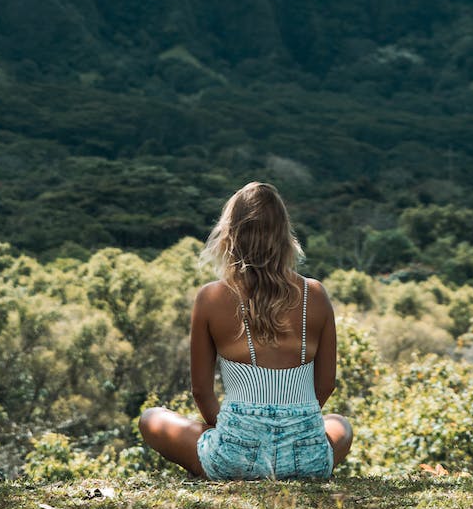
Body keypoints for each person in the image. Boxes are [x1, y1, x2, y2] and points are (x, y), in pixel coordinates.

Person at [139, 180, 353, 479]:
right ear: (284, 235)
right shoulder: (315, 294)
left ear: (230, 234)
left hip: (234, 457)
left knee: (152, 418)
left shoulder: (211, 297)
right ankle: (292, 461)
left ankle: (228, 461)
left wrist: (243, 433)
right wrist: (290, 427)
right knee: (340, 424)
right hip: (307, 457)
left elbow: (201, 391)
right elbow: (326, 384)